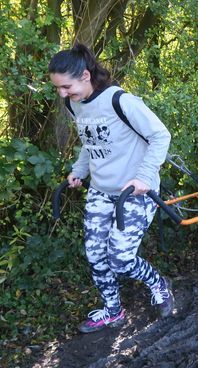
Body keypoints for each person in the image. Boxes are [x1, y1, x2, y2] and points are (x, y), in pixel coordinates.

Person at [48, 43, 174, 334]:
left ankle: (158, 284)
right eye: (57, 88)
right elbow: (89, 142)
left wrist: (143, 176)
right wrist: (79, 171)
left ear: (85, 76)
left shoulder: (120, 101)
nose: (62, 94)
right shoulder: (73, 104)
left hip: (136, 193)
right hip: (101, 191)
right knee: (95, 256)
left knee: (120, 259)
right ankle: (113, 310)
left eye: (66, 86)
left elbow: (160, 136)